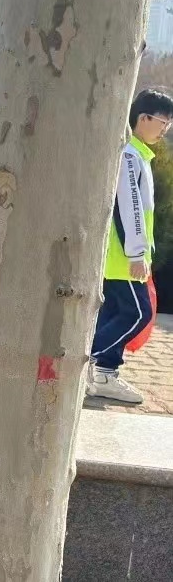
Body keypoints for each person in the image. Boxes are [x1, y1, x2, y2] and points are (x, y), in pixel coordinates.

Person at [87, 88, 172, 404]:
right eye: (163, 122)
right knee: (138, 313)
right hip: (123, 257)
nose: (165, 130)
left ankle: (105, 375)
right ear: (143, 118)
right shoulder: (130, 157)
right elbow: (130, 209)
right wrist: (137, 254)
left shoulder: (139, 156)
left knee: (115, 312)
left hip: (123, 256)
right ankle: (85, 361)